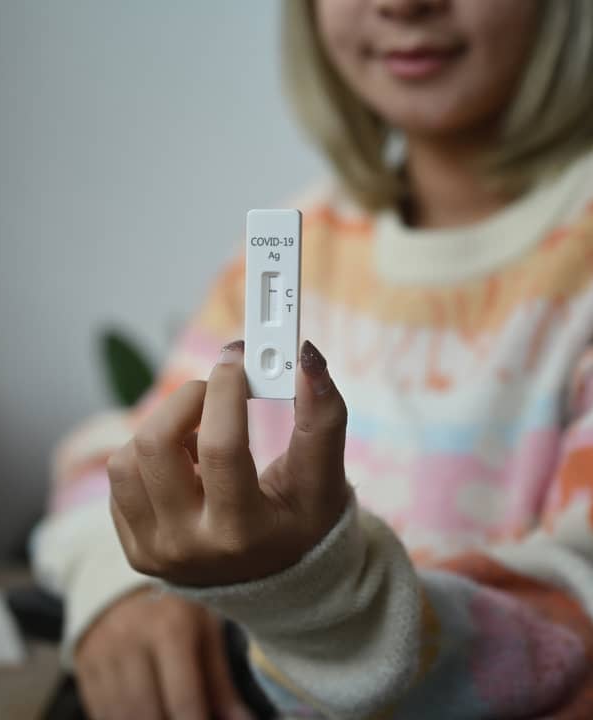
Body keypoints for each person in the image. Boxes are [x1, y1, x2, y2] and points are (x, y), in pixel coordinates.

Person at [30, 0, 593, 718]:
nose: (403, 4)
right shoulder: (302, 249)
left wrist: (314, 599)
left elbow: (575, 625)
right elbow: (116, 455)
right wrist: (122, 577)